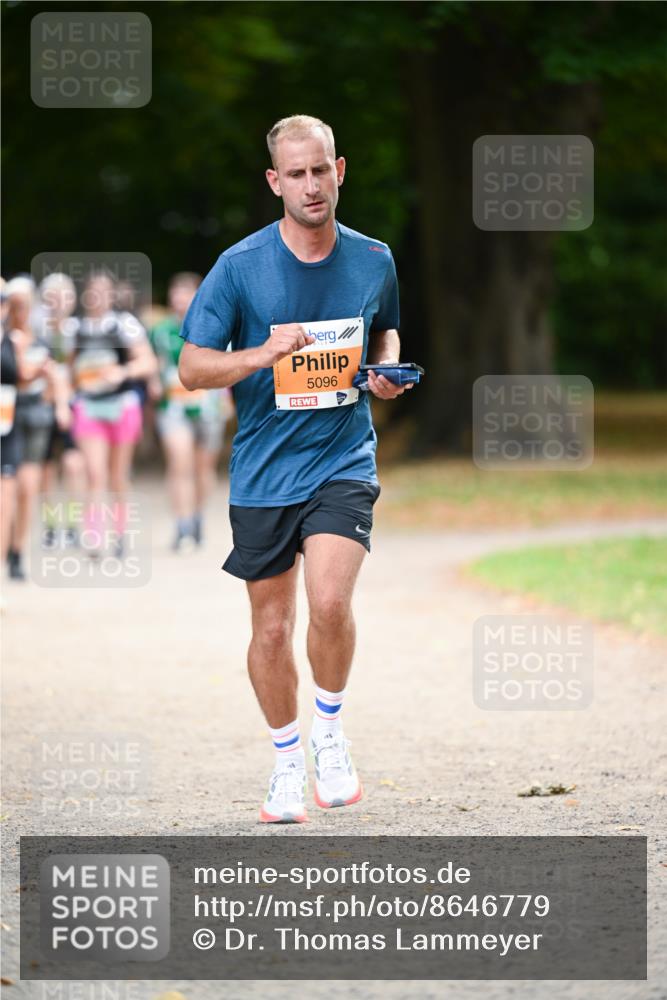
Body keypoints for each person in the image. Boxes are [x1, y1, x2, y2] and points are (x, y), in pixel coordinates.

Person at [179, 114, 412, 823]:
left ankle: (331, 735)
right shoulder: (240, 266)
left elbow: (386, 327)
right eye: (296, 174)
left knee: (332, 601)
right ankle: (286, 763)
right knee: (272, 628)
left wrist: (384, 374)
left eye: (321, 170)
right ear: (275, 182)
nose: (311, 186)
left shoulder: (373, 258)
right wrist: (260, 354)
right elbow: (191, 368)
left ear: (339, 171)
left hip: (342, 454)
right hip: (262, 469)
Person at [69, 270, 157, 557]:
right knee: (95, 473)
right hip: (89, 406)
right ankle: (94, 536)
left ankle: (119, 534)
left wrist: (122, 371)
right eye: (94, 291)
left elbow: (148, 363)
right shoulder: (75, 328)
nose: (99, 297)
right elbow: (68, 367)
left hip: (122, 405)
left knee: (118, 475)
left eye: (105, 290)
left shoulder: (124, 325)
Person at [149, 272, 230, 551]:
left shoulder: (216, 326)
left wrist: (227, 396)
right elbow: (152, 362)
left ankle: (196, 517)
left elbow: (227, 363)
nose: (179, 299)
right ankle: (182, 525)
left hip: (208, 406)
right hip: (173, 407)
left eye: (186, 293)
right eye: (176, 293)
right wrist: (153, 381)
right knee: (179, 463)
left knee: (202, 468)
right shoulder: (159, 331)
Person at [4, 277, 69, 580]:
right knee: (9, 489)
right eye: (14, 305)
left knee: (28, 489)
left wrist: (58, 404)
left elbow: (55, 375)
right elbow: (19, 376)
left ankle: (18, 551)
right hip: (9, 417)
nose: (18, 311)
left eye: (24, 305)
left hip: (34, 419)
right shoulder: (7, 341)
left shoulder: (40, 340)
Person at [37, 273, 85, 549]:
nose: (58, 302)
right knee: (45, 469)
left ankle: (71, 525)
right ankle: (50, 526)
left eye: (64, 296)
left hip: (73, 403)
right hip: (43, 405)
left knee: (73, 465)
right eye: (52, 296)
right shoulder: (38, 330)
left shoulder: (78, 330)